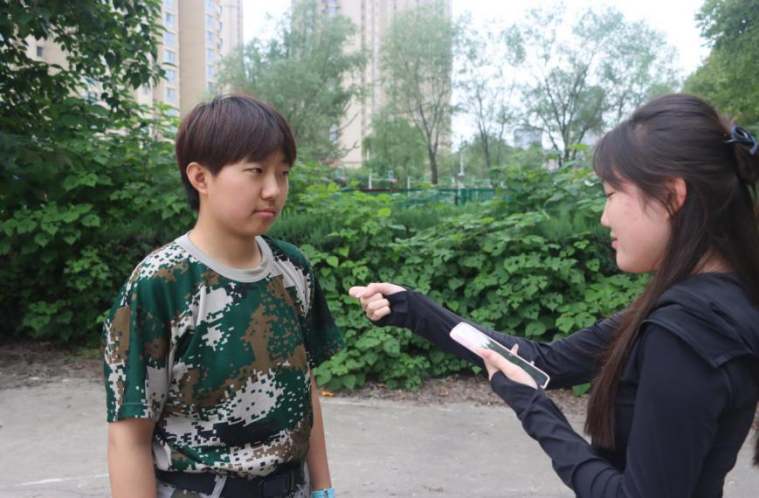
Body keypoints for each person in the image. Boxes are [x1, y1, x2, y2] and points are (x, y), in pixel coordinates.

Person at [350, 93, 759, 497]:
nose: (604, 217)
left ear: (671, 196)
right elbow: (542, 361)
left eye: (611, 194)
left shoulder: (689, 330)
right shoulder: (707, 302)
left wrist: (535, 408)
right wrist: (414, 309)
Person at [103, 95, 344, 498]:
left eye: (283, 172)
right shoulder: (160, 284)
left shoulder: (292, 268)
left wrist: (323, 487)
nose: (273, 189)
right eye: (256, 171)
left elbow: (306, 386)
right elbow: (128, 437)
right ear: (201, 178)